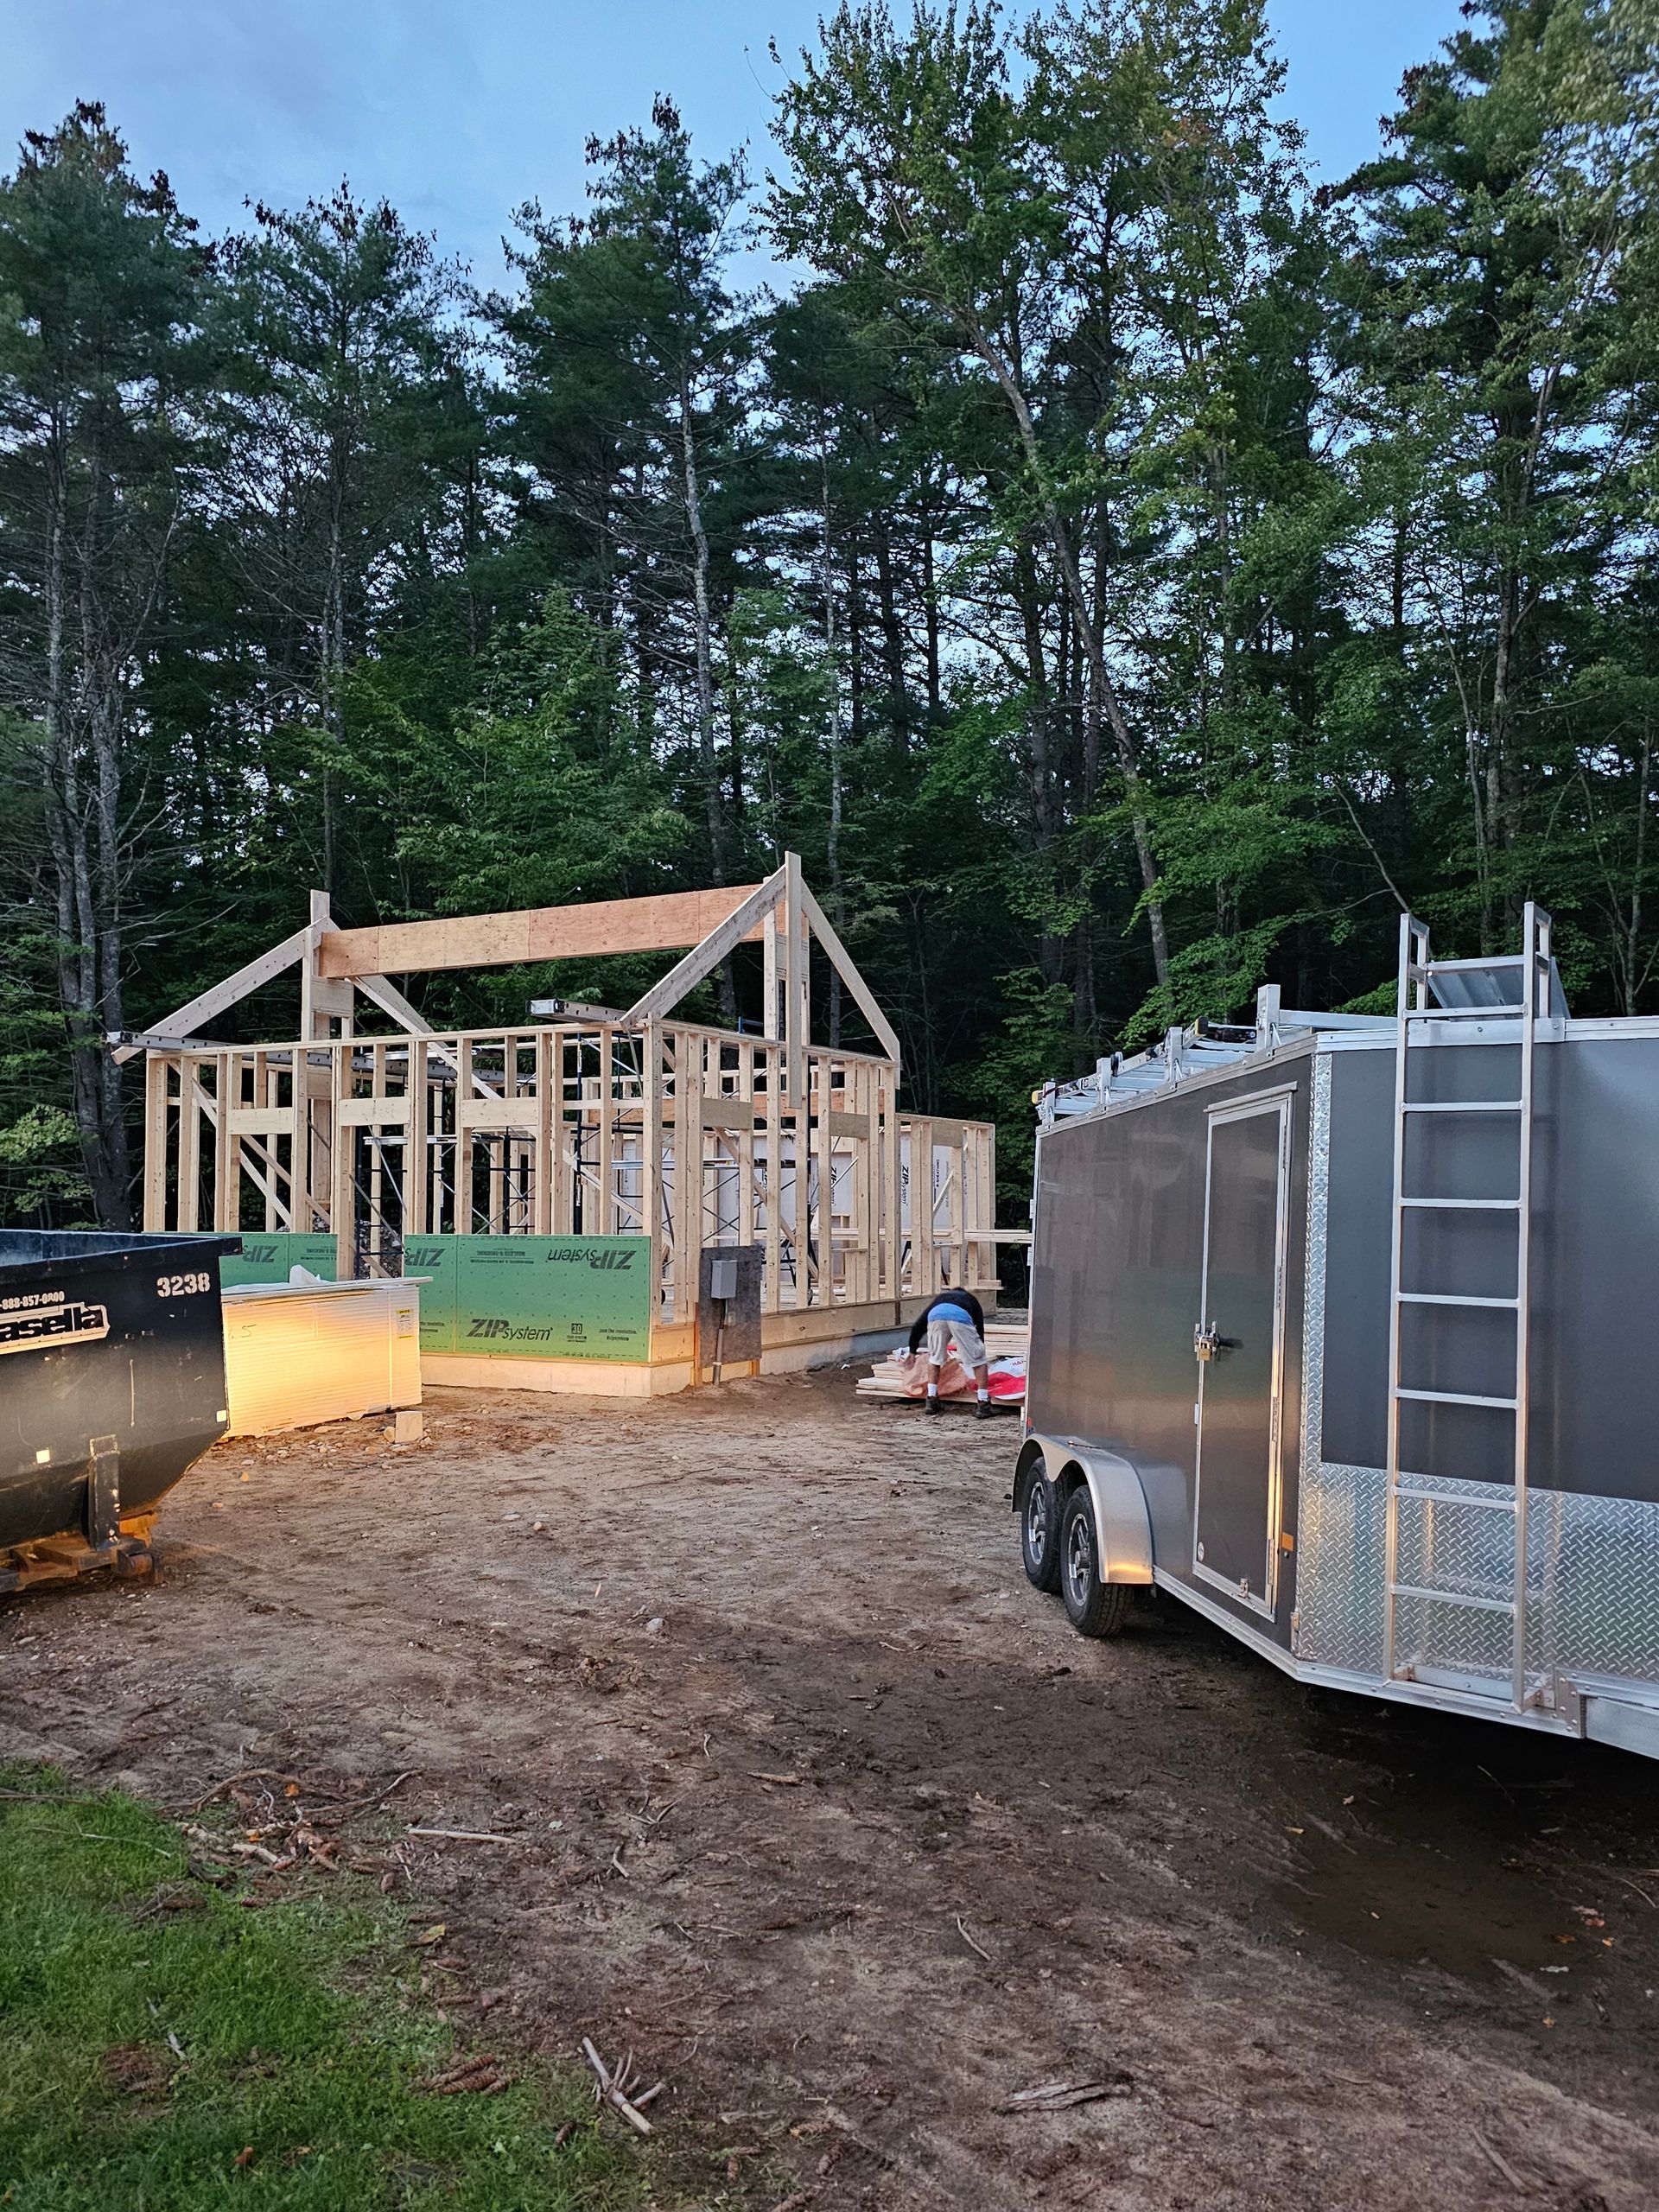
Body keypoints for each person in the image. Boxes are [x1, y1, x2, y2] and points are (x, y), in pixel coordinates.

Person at [906, 1288, 993, 1418]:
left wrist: (912, 1350)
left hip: (935, 1316)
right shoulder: (971, 1300)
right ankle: (983, 1403)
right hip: (960, 1316)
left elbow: (918, 1325)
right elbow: (979, 1327)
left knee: (935, 1358)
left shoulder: (939, 1300)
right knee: (978, 1360)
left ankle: (931, 1400)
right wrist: (979, 1349)